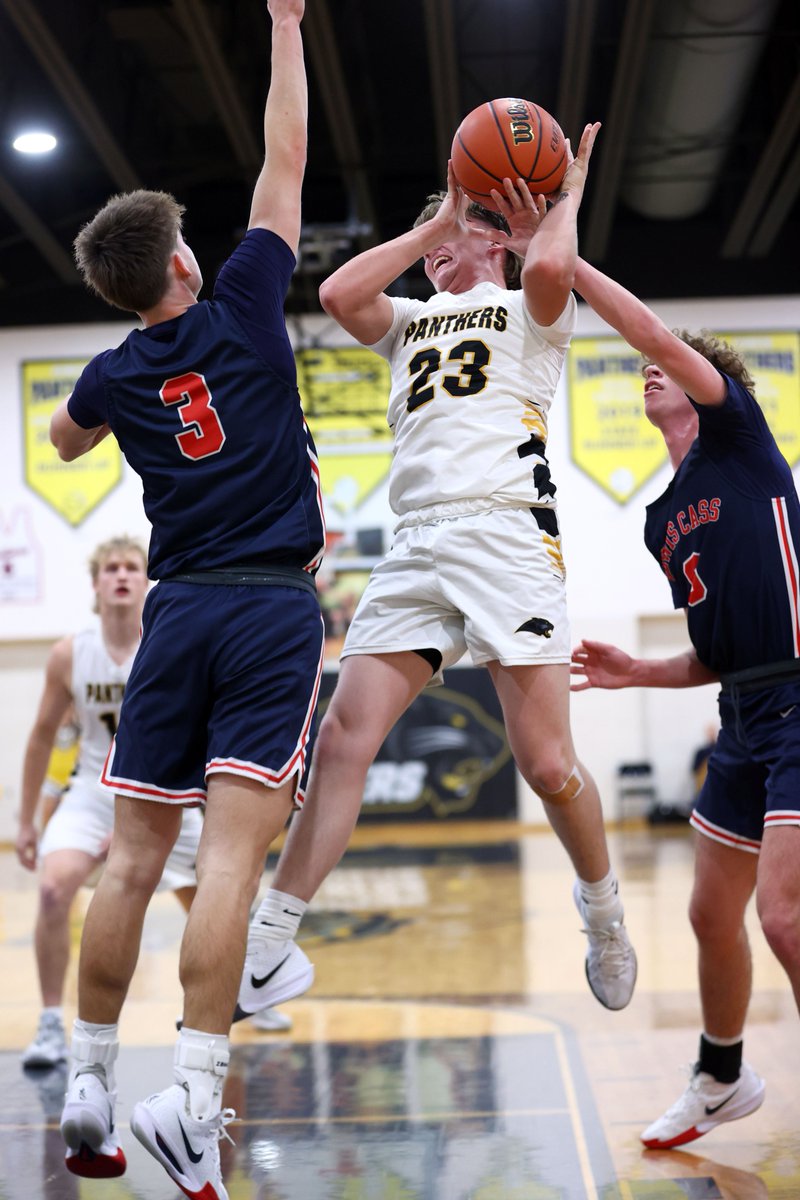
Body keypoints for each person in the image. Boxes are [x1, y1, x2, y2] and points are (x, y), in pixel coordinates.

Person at [231, 123, 637, 1034]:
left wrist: (564, 196)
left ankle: (603, 910)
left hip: (505, 533)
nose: (432, 258)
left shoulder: (534, 304)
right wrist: (433, 225)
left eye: (453, 237)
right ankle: (269, 941)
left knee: (547, 765)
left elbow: (548, 271)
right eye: (429, 245)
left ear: (492, 238)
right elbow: (338, 290)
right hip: (417, 542)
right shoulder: (409, 323)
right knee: (342, 742)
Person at [50, 2, 323, 1195]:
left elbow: (62, 443)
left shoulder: (115, 368)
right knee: (229, 865)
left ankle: (91, 1077)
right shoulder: (247, 299)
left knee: (128, 859)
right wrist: (283, 24)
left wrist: (109, 396)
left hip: (176, 612)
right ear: (180, 263)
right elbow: (285, 159)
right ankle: (194, 1095)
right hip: (268, 607)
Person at [569, 257, 800, 1148]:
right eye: (643, 371)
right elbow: (714, 653)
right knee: (711, 913)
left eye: (668, 364)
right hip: (744, 712)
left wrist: (570, 259)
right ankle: (720, 1076)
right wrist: (636, 670)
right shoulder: (659, 519)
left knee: (781, 915)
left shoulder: (739, 439)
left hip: (798, 701)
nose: (649, 368)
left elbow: (655, 333)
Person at [16, 537, 289, 1074]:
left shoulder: (169, 640)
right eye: (110, 568)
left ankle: (248, 990)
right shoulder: (70, 652)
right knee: (51, 888)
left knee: (216, 894)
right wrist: (25, 820)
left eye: (131, 567)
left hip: (167, 787)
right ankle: (51, 1020)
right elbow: (42, 736)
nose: (121, 576)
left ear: (148, 579)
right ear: (96, 583)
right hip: (95, 793)